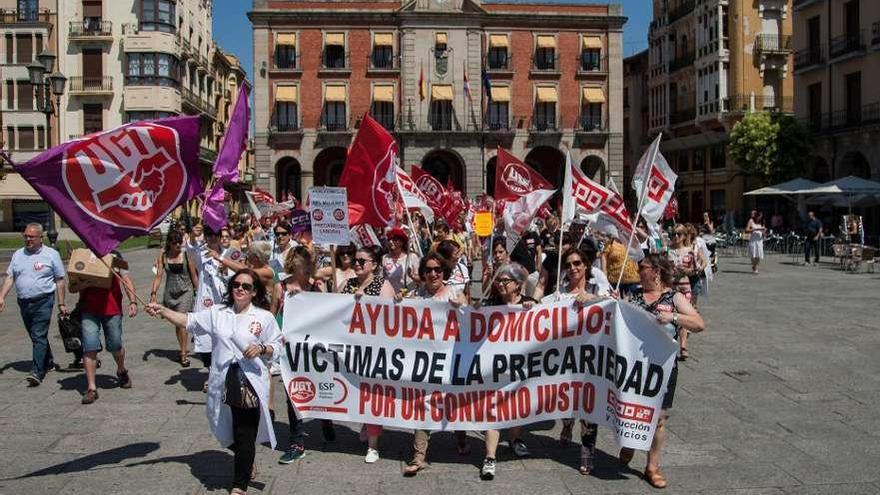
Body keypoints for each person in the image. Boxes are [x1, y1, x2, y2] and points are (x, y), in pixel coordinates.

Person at [147, 269, 282, 495]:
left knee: (244, 432)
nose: (239, 288)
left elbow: (277, 345)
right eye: (236, 284)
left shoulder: (263, 317)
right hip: (221, 380)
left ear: (254, 292)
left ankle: (239, 485)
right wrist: (163, 310)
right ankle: (245, 460)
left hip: (248, 380)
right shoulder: (217, 312)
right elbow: (188, 320)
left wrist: (261, 348)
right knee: (219, 425)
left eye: (246, 286)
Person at [619, 255, 704, 489]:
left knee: (659, 418)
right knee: (630, 410)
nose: (638, 270)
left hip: (663, 367)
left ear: (655, 271)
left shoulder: (673, 297)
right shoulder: (634, 295)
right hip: (635, 365)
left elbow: (699, 324)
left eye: (642, 267)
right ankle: (630, 442)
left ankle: (652, 467)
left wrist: (673, 317)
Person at [541, 247, 608, 475]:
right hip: (564, 361)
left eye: (577, 263)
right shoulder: (558, 296)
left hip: (591, 361)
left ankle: (587, 452)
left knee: (590, 406)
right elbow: (539, 315)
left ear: (586, 265)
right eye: (568, 265)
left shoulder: (597, 289)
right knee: (567, 404)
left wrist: (593, 300)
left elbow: (614, 306)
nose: (573, 268)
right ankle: (567, 425)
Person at [403, 252, 469, 476]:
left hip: (451, 359)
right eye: (428, 269)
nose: (433, 273)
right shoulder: (415, 295)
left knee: (455, 403)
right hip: (425, 362)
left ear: (444, 272)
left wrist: (463, 305)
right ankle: (419, 456)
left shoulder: (454, 293)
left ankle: (460, 437)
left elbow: (471, 319)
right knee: (424, 405)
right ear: (422, 273)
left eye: (437, 270)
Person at [340, 246, 396, 463]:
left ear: (374, 265)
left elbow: (391, 319)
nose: (356, 264)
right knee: (355, 392)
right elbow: (331, 310)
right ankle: (366, 424)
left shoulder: (383, 286)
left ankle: (373, 446)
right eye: (355, 260)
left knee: (372, 394)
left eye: (362, 261)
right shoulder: (347, 284)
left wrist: (366, 304)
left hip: (373, 350)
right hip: (349, 348)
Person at [479, 262, 534, 479]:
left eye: (505, 281)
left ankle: (514, 439)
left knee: (517, 408)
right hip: (495, 368)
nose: (500, 284)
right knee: (494, 410)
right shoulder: (490, 304)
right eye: (498, 280)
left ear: (518, 285)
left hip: (521, 368)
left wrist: (532, 308)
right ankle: (490, 458)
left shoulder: (530, 305)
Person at [0, 223, 68, 386]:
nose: (28, 239)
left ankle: (37, 371)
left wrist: (61, 303)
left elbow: (59, 280)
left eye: (31, 236)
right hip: (23, 301)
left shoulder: (51, 254)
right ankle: (49, 361)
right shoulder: (18, 254)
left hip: (43, 300)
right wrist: (2, 296)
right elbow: (10, 277)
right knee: (36, 335)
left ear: (40, 238)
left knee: (38, 334)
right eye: (26, 236)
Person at [276, 246, 326, 465]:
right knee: (293, 393)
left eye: (306, 263)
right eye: (298, 262)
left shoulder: (315, 286)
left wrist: (318, 292)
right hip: (290, 351)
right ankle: (297, 441)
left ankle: (325, 419)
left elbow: (330, 311)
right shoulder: (281, 286)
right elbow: (272, 315)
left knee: (323, 387)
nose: (303, 267)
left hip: (314, 349)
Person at [78, 250, 138, 404]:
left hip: (112, 309)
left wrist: (133, 301)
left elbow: (126, 280)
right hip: (89, 309)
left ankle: (121, 370)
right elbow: (74, 286)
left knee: (115, 344)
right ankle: (92, 388)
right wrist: (86, 282)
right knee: (89, 346)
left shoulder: (115, 256)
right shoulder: (83, 255)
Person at [150, 231, 198, 367]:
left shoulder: (186, 255)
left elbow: (194, 276)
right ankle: (182, 347)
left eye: (180, 242)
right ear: (169, 243)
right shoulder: (163, 255)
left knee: (182, 322)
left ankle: (183, 354)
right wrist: (153, 293)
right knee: (178, 325)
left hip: (186, 291)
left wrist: (198, 291)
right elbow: (159, 275)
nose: (178, 245)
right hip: (170, 292)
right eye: (175, 242)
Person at [598, 224, 641, 296]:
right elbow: (603, 259)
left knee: (632, 304)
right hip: (615, 283)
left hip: (632, 282)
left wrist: (633, 226)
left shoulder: (633, 241)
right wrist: (604, 280)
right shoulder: (610, 244)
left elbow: (645, 237)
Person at [382, 228, 420, 294]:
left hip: (408, 298)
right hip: (390, 298)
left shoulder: (412, 257)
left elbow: (421, 279)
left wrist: (411, 275)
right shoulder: (385, 257)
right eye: (389, 240)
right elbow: (382, 279)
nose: (390, 242)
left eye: (394, 239)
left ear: (402, 242)